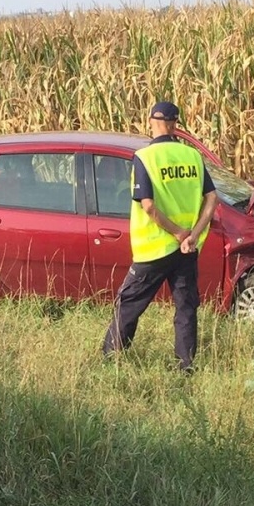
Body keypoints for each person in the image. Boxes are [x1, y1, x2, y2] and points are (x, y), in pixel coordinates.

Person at [102, 100, 217, 372]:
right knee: (186, 307)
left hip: (154, 248)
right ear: (175, 124)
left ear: (151, 121)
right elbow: (212, 199)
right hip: (187, 249)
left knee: (130, 302)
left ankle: (111, 357)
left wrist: (177, 233)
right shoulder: (192, 157)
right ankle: (186, 365)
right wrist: (192, 235)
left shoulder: (145, 157)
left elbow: (148, 205)